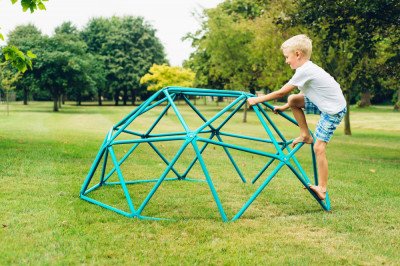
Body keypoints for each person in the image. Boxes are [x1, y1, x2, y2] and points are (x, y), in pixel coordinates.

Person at [247, 34, 346, 200]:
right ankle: (305, 135)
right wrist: (285, 106)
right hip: (325, 103)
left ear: (298, 54)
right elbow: (302, 91)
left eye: (287, 57)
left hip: (333, 110)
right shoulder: (306, 70)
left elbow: (282, 91)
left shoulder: (306, 70)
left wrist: (257, 99)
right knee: (293, 99)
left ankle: (322, 188)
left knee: (318, 148)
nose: (286, 61)